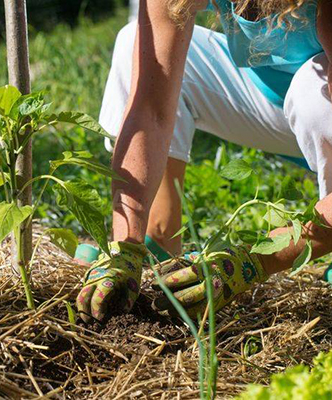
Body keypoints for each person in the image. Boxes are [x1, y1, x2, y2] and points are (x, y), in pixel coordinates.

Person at [76, 0, 332, 322]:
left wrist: (251, 261)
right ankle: (157, 238)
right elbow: (151, 109)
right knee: (137, 44)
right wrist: (124, 245)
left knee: (313, 93)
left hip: (320, 106)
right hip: (271, 98)